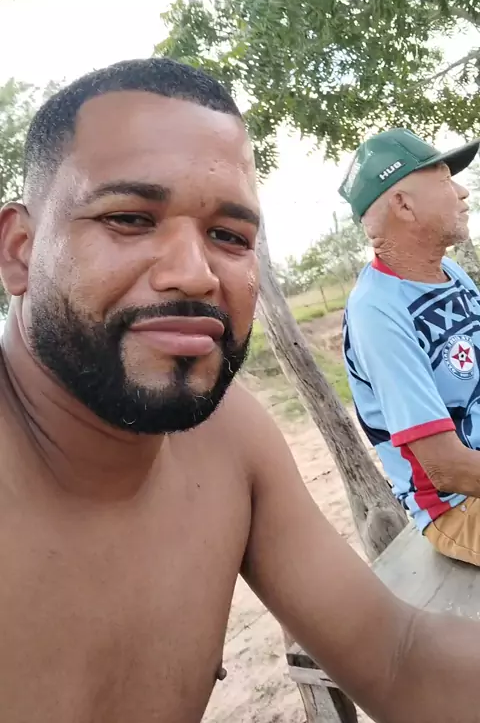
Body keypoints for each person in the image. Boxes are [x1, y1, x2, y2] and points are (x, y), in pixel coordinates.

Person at [1, 63, 480, 723]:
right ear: (19, 251)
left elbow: (400, 660)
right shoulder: (378, 311)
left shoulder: (227, 438)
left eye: (229, 236)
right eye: (130, 218)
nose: (194, 274)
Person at [339, 127, 480, 568]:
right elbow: (445, 468)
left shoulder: (452, 274)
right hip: (459, 505)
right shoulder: (377, 311)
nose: (462, 193)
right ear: (403, 205)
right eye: (445, 181)